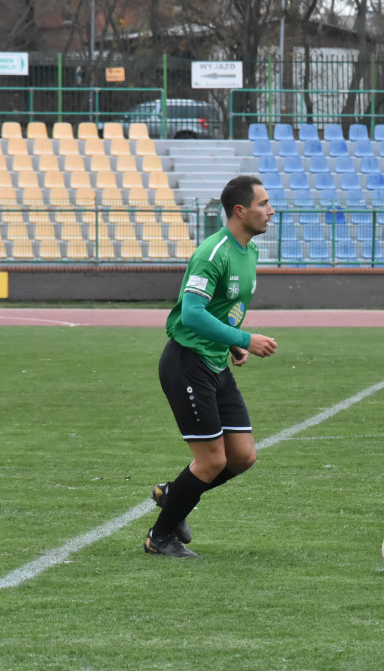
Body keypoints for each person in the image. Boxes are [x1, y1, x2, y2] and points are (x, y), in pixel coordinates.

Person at [144, 175, 278, 557]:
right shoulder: (213, 251)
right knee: (212, 460)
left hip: (216, 361)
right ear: (240, 211)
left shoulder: (248, 251)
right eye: (263, 204)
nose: (271, 211)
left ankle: (174, 494)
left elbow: (224, 308)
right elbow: (191, 313)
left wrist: (230, 345)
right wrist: (243, 339)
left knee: (242, 456)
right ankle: (160, 537)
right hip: (187, 362)